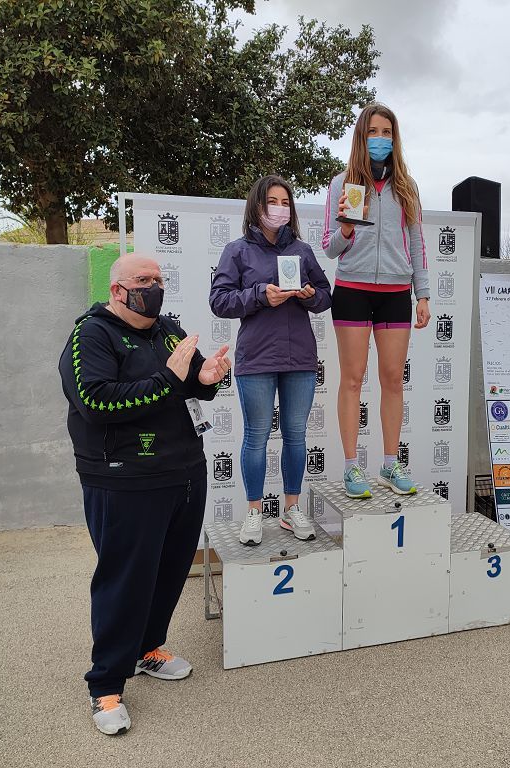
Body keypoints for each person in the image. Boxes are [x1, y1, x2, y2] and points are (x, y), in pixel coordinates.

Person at [59, 255, 231, 735]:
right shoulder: (90, 336)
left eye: (159, 280)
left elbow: (193, 379)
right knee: (124, 579)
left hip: (182, 472)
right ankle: (106, 684)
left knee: (172, 570)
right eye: (143, 281)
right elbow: (96, 402)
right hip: (123, 479)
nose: (154, 288)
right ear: (117, 290)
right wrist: (171, 380)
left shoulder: (169, 330)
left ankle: (148, 647)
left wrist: (209, 375)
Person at [210, 175, 332, 546]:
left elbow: (326, 295)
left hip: (299, 359)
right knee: (256, 437)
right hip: (257, 358)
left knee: (296, 435)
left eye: (285, 202)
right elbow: (219, 301)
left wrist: (310, 296)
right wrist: (261, 295)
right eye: (272, 201)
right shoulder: (237, 251)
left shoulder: (303, 251)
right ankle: (253, 513)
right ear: (257, 206)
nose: (280, 208)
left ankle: (291, 509)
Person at [321, 102, 431, 498]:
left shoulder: (407, 186)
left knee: (392, 381)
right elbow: (329, 248)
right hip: (351, 289)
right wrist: (347, 231)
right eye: (373, 132)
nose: (380, 139)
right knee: (352, 380)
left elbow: (417, 242)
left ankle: (389, 462)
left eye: (387, 132)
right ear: (361, 136)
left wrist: (424, 295)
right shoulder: (343, 183)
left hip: (396, 294)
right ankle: (352, 468)